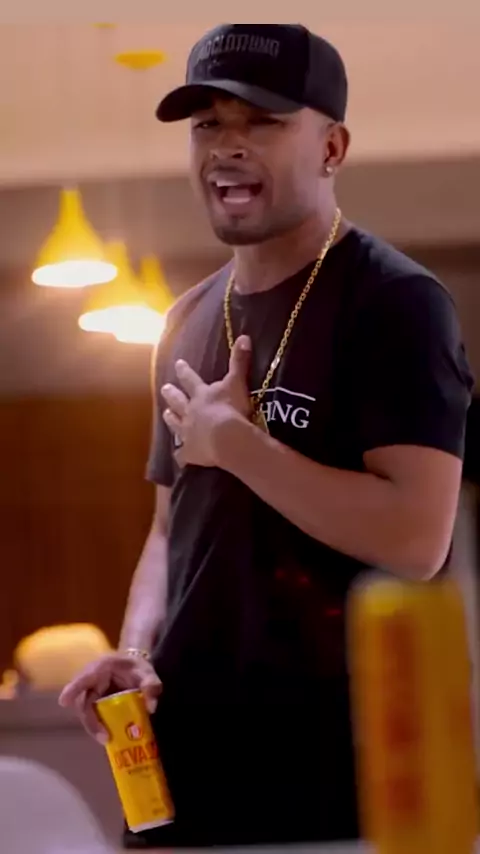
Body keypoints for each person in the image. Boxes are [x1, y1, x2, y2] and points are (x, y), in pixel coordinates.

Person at [60, 23, 474, 848]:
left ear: (332, 147)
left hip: (336, 777)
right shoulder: (183, 319)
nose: (228, 145)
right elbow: (169, 531)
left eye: (263, 121)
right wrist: (137, 651)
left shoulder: (394, 302)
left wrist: (242, 446)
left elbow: (416, 539)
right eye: (208, 124)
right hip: (185, 769)